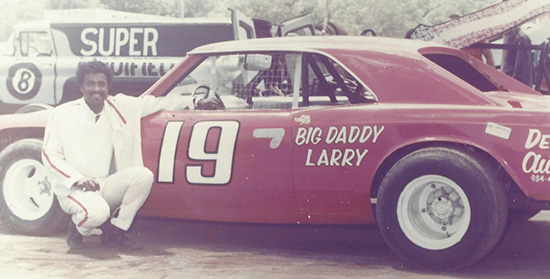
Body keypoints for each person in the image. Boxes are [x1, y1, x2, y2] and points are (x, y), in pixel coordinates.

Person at [42, 60, 222, 250]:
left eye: (101, 83)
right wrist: (77, 179)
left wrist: (195, 102)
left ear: (107, 86)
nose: (97, 89)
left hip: (105, 183)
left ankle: (116, 231)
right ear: (81, 86)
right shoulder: (62, 114)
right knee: (97, 214)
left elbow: (159, 102)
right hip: (74, 188)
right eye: (90, 84)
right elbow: (49, 155)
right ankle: (79, 226)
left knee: (143, 175)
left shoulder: (120, 105)